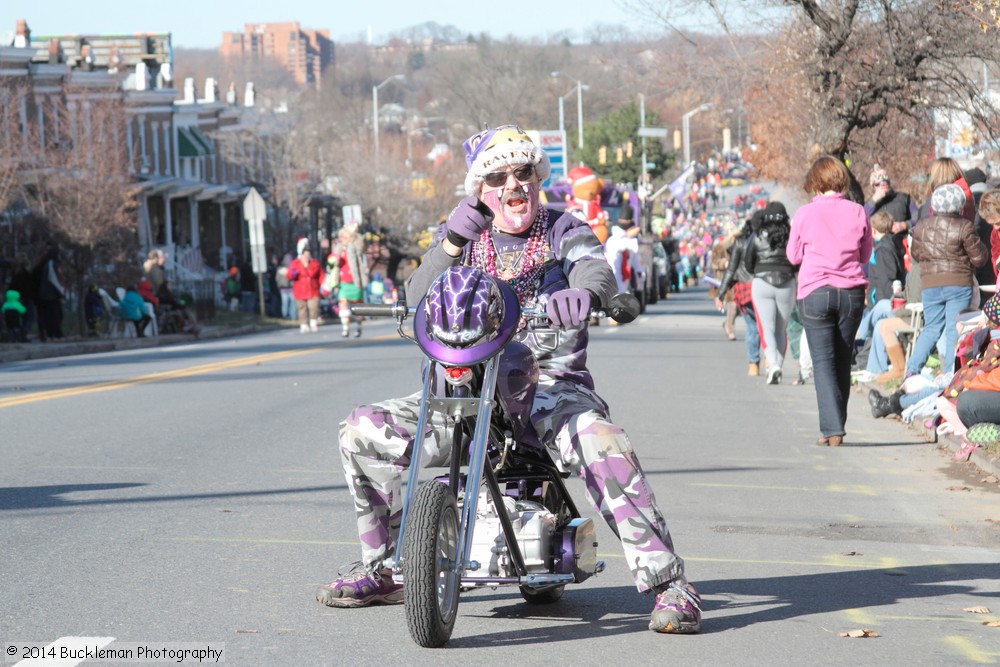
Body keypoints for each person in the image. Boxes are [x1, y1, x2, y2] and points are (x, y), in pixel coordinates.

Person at [316, 125, 701, 635]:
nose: (513, 185)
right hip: (461, 390)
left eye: (523, 172)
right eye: (498, 176)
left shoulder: (562, 228)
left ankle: (667, 583)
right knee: (359, 430)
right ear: (480, 190)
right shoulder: (463, 241)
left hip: (548, 388)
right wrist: (452, 240)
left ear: (537, 177)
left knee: (601, 441)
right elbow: (414, 298)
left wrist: (583, 294)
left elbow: (595, 268)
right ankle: (386, 570)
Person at [786, 155, 872, 447]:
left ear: (815, 182)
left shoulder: (804, 214)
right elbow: (864, 255)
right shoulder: (858, 211)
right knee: (842, 359)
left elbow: (793, 256)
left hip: (815, 291)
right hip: (851, 292)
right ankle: (835, 425)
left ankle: (832, 429)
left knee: (823, 361)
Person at [906, 183, 987, 377]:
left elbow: (915, 254)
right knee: (954, 329)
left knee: (931, 328)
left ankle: (912, 370)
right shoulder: (964, 226)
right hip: (958, 283)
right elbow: (979, 258)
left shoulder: (921, 226)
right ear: (959, 206)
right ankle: (951, 373)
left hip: (930, 284)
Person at [745, 201, 796, 384]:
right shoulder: (790, 235)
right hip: (787, 283)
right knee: (781, 330)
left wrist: (758, 271)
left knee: (766, 328)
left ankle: (772, 364)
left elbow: (748, 261)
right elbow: (797, 259)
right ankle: (778, 367)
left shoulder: (757, 235)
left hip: (762, 282)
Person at [715, 213, 762, 376]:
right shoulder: (764, 241)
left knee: (751, 327)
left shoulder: (739, 243)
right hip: (763, 286)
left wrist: (720, 294)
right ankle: (771, 361)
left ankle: (753, 364)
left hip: (743, 288)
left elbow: (731, 270)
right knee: (767, 326)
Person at [329, 226, 369, 338]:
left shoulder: (355, 247)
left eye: (344, 236)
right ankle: (345, 329)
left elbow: (362, 247)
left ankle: (358, 326)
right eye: (341, 236)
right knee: (343, 303)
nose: (342, 238)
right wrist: (333, 260)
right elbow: (332, 262)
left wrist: (358, 235)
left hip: (355, 280)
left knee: (357, 306)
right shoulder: (338, 248)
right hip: (342, 281)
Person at [287, 238, 323, 333]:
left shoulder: (315, 263)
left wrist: (323, 286)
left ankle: (313, 322)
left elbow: (321, 276)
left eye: (308, 254)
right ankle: (303, 324)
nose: (307, 256)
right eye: (305, 254)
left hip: (313, 289)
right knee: (302, 308)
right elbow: (289, 275)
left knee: (313, 306)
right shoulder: (295, 263)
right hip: (300, 289)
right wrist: (293, 273)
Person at [34, 245, 66, 341]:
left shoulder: (50, 263)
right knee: (55, 315)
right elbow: (53, 278)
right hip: (50, 295)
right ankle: (55, 334)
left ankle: (52, 333)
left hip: (48, 295)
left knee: (52, 315)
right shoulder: (52, 263)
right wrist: (61, 290)